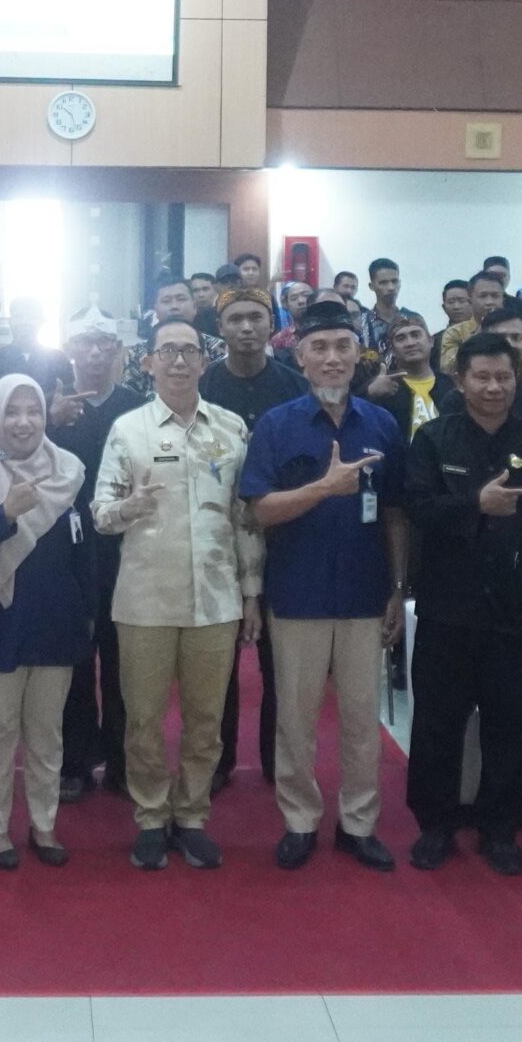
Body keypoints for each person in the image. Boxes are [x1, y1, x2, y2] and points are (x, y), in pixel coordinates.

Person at [242, 299, 409, 872]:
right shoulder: (276, 425)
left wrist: (398, 586)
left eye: (343, 346)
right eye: (320, 348)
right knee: (296, 719)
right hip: (298, 592)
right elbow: (260, 510)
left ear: (359, 355)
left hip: (365, 592)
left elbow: (394, 514)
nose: (332, 358)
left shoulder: (381, 424)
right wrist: (323, 489)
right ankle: (300, 820)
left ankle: (359, 824)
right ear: (300, 357)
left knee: (363, 719)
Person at [93, 316, 262, 871]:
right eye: (167, 351)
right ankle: (150, 816)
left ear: (204, 363)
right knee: (142, 720)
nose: (180, 361)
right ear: (148, 363)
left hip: (216, 599)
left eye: (189, 351)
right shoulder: (127, 430)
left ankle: (191, 815)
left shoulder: (231, 429)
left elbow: (245, 518)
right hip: (144, 600)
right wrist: (130, 507)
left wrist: (252, 593)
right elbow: (100, 514)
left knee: (206, 719)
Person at [403, 332, 522, 875]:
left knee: (510, 726)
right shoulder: (433, 439)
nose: (494, 387)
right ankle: (435, 826)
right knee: (437, 724)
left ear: (517, 380)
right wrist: (475, 504)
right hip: (446, 607)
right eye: (482, 377)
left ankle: (499, 829)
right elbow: (418, 509)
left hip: (515, 610)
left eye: (504, 377)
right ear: (460, 380)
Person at [0, 374, 91, 870]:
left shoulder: (68, 469)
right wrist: (4, 515)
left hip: (56, 621)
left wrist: (87, 612)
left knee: (47, 732)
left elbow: (84, 550)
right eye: (12, 411)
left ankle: (44, 824)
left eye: (33, 410)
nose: (23, 421)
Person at [200, 287, 300, 791]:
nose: (245, 327)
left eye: (255, 318)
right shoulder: (203, 386)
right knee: (218, 660)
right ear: (220, 328)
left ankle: (276, 760)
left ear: (271, 325)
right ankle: (216, 762)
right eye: (235, 319)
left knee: (278, 662)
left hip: (281, 535)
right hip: (216, 535)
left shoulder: (294, 386)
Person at [50, 307, 147, 798]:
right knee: (72, 660)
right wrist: (50, 423)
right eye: (84, 343)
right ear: (70, 350)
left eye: (103, 344)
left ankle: (123, 761)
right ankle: (74, 761)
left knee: (124, 660)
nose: (94, 353)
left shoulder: (138, 408)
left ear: (117, 351)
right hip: (65, 550)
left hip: (126, 547)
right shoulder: (51, 405)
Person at [0, 297, 64, 403]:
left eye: (31, 317)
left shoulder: (58, 359)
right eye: (19, 316)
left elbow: (68, 401)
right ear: (10, 321)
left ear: (42, 321)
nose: (25, 322)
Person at [358, 259, 403, 362]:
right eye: (383, 283)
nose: (391, 287)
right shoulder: (361, 323)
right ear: (371, 286)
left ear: (400, 283)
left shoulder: (412, 319)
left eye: (394, 281)